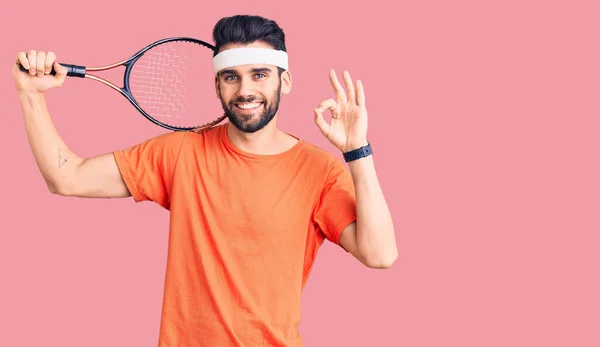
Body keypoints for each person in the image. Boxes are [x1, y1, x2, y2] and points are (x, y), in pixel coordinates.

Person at [13, 14, 397, 347]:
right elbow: (67, 177)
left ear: (286, 81)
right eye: (231, 77)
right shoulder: (180, 153)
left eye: (259, 75)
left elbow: (380, 255)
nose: (245, 90)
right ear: (217, 86)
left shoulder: (320, 171)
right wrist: (30, 95)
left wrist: (357, 150)